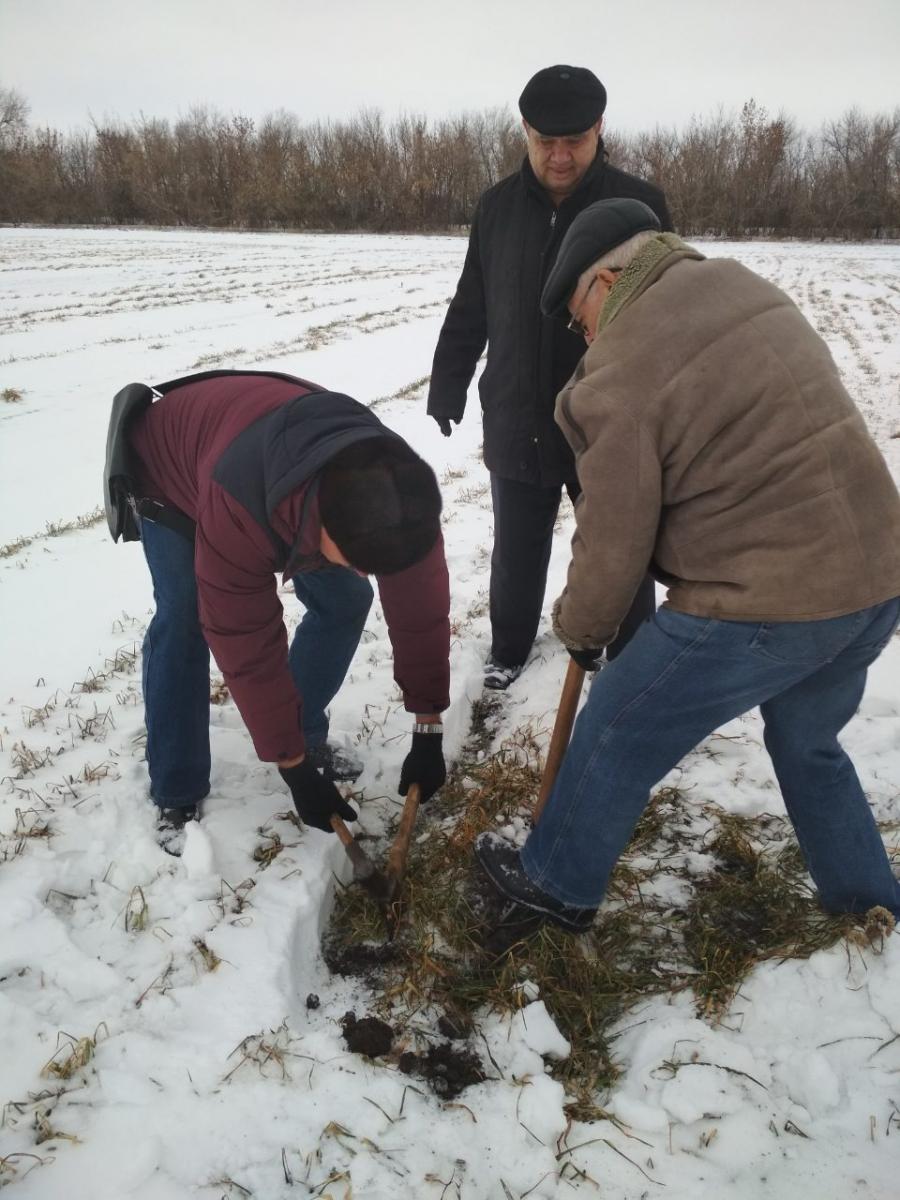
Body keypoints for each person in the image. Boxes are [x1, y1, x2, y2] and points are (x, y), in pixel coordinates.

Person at [474, 199, 900, 946]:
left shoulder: (620, 366)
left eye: (579, 318)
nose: (585, 336)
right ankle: (870, 905)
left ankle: (555, 885)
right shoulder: (746, 286)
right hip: (875, 579)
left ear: (606, 282)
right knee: (807, 740)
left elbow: (614, 537)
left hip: (768, 596)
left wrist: (582, 629)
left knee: (616, 725)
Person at [103, 369, 450, 851]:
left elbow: (421, 606)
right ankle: (176, 788)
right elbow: (244, 639)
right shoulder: (239, 507)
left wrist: (428, 723)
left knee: (347, 597)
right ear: (322, 526)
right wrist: (292, 769)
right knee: (186, 620)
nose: (368, 571)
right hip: (171, 472)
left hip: (266, 444)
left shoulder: (397, 491)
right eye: (358, 561)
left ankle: (304, 731)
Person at [427, 65, 672, 690]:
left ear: (599, 130)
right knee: (515, 551)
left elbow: (664, 312)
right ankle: (509, 648)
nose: (559, 157)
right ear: (525, 132)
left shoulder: (638, 206)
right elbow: (471, 301)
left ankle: (631, 659)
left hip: (606, 423)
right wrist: (448, 380)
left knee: (621, 551)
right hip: (516, 411)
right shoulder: (497, 207)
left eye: (575, 142)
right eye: (545, 142)